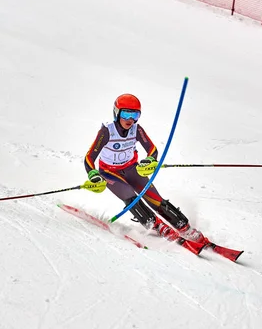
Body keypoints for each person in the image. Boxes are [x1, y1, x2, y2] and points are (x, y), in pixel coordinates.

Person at [83, 93, 206, 244]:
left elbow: (152, 150)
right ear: (117, 112)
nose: (130, 119)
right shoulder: (107, 131)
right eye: (126, 113)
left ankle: (183, 226)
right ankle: (156, 226)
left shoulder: (136, 129)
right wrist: (93, 174)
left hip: (131, 169)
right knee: (130, 196)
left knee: (155, 198)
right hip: (109, 172)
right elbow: (89, 158)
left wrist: (150, 160)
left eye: (135, 114)